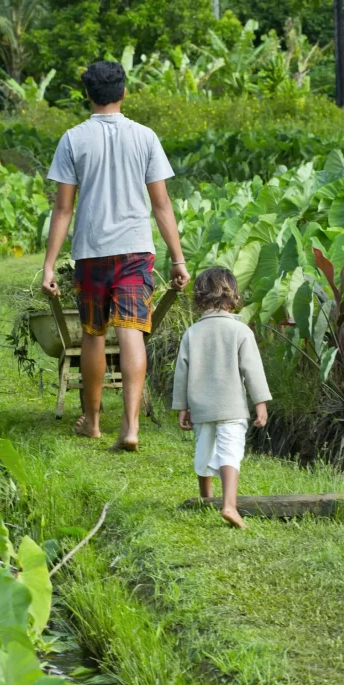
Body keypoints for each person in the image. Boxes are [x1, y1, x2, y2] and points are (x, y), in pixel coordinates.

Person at [42, 60, 190, 450]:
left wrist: (47, 266)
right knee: (132, 333)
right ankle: (130, 428)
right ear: (124, 92)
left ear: (87, 95)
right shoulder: (145, 137)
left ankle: (91, 422)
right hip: (136, 251)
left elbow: (62, 209)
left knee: (93, 334)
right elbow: (161, 205)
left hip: (92, 252)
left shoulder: (73, 139)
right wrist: (178, 259)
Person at [172, 267, 271, 528]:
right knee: (230, 452)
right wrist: (260, 403)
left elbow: (182, 371)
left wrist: (182, 407)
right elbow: (252, 370)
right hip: (232, 408)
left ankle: (207, 498)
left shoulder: (192, 333)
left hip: (201, 406)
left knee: (203, 450)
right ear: (233, 296)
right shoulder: (240, 331)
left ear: (200, 298)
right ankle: (228, 505)